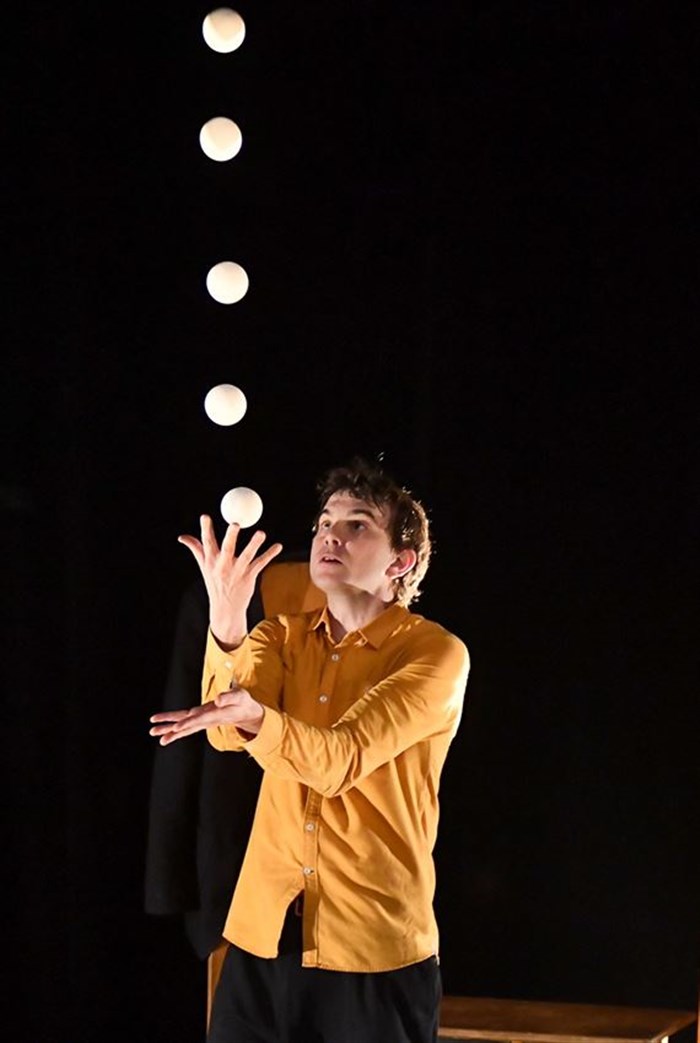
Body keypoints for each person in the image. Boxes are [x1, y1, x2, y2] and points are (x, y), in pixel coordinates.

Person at [150, 460, 470, 1043]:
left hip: (374, 951)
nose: (330, 536)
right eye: (325, 523)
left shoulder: (435, 654)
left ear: (401, 562)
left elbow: (340, 759)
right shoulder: (279, 634)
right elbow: (226, 733)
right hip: (262, 938)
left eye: (356, 525)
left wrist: (258, 720)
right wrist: (228, 622)